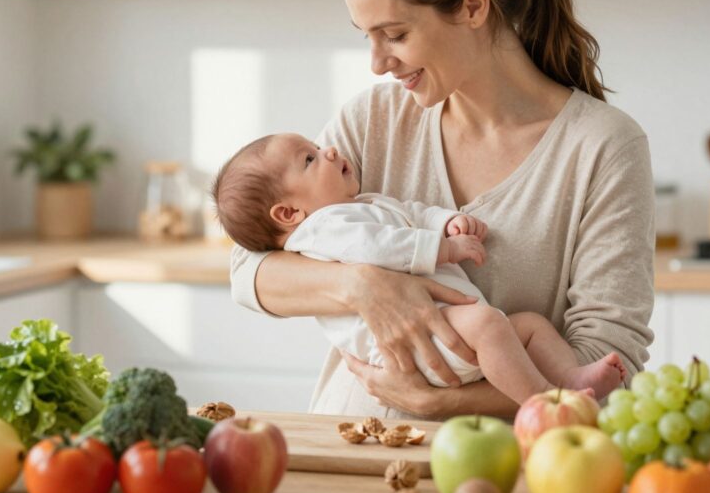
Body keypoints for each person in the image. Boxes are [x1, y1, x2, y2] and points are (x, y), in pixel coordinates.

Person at [230, 0, 655, 420]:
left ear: (472, 6)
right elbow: (249, 269)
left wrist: (445, 401)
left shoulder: (601, 147)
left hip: (506, 474)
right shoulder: (371, 121)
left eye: (395, 34)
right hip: (351, 454)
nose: (378, 63)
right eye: (367, 37)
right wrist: (362, 285)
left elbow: (608, 360)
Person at [213, 132, 629, 405]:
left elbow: (407, 215)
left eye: (395, 34)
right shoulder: (323, 229)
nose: (331, 150)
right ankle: (543, 403)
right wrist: (443, 248)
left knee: (529, 326)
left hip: (445, 337)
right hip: (413, 352)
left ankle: (572, 381)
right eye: (310, 158)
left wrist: (443, 221)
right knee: (489, 326)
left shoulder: (360, 205)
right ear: (288, 212)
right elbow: (378, 246)